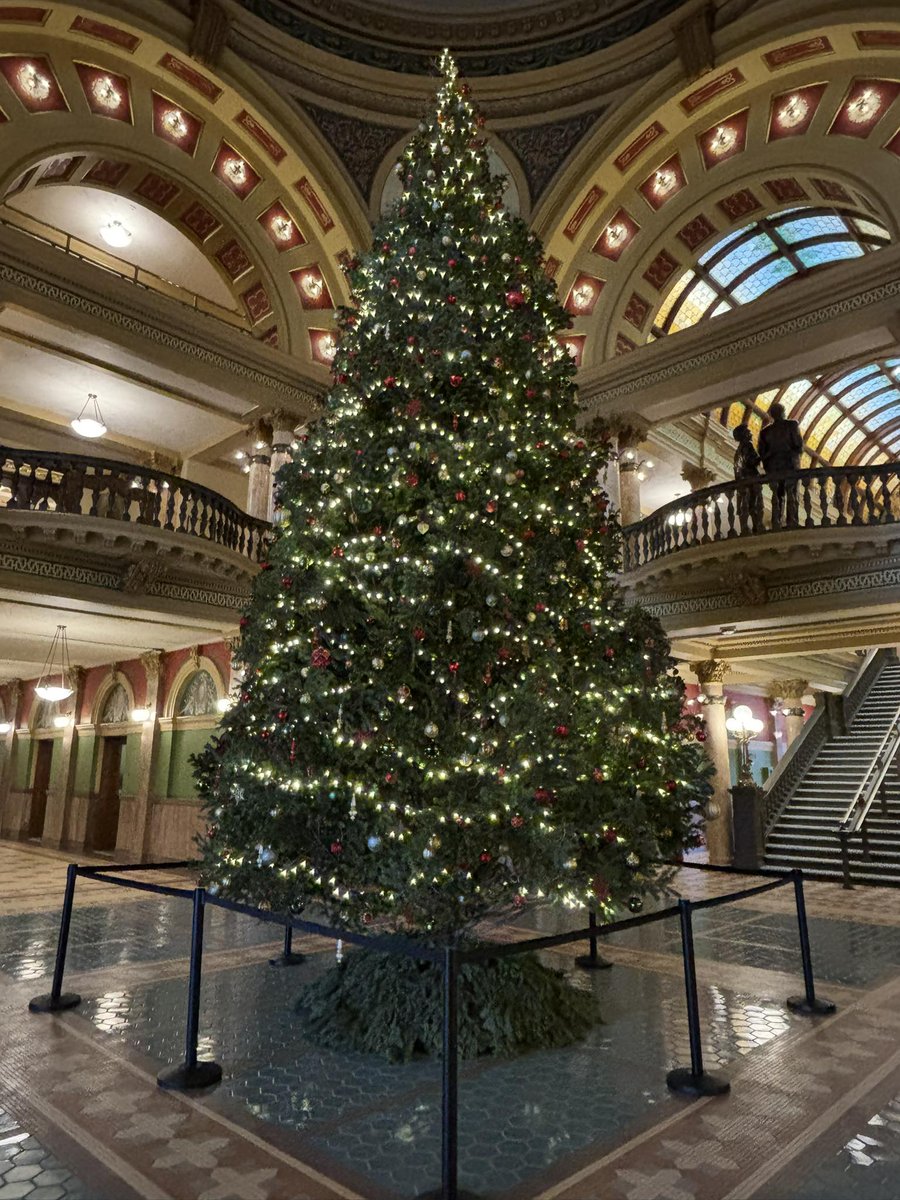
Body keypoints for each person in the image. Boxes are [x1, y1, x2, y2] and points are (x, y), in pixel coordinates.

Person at [758, 401, 803, 527]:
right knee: (792, 494)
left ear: (772, 415)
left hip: (774, 468)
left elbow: (762, 453)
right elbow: (799, 446)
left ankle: (776, 521)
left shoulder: (765, 432)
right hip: (790, 465)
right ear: (783, 413)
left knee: (778, 495)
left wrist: (770, 459)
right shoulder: (792, 425)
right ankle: (791, 521)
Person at [732, 424, 762, 533]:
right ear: (744, 435)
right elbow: (752, 461)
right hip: (751, 480)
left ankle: (745, 528)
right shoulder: (748, 445)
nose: (751, 434)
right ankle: (757, 528)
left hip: (742, 483)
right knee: (754, 505)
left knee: (745, 506)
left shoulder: (737, 452)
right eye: (749, 432)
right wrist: (763, 454)